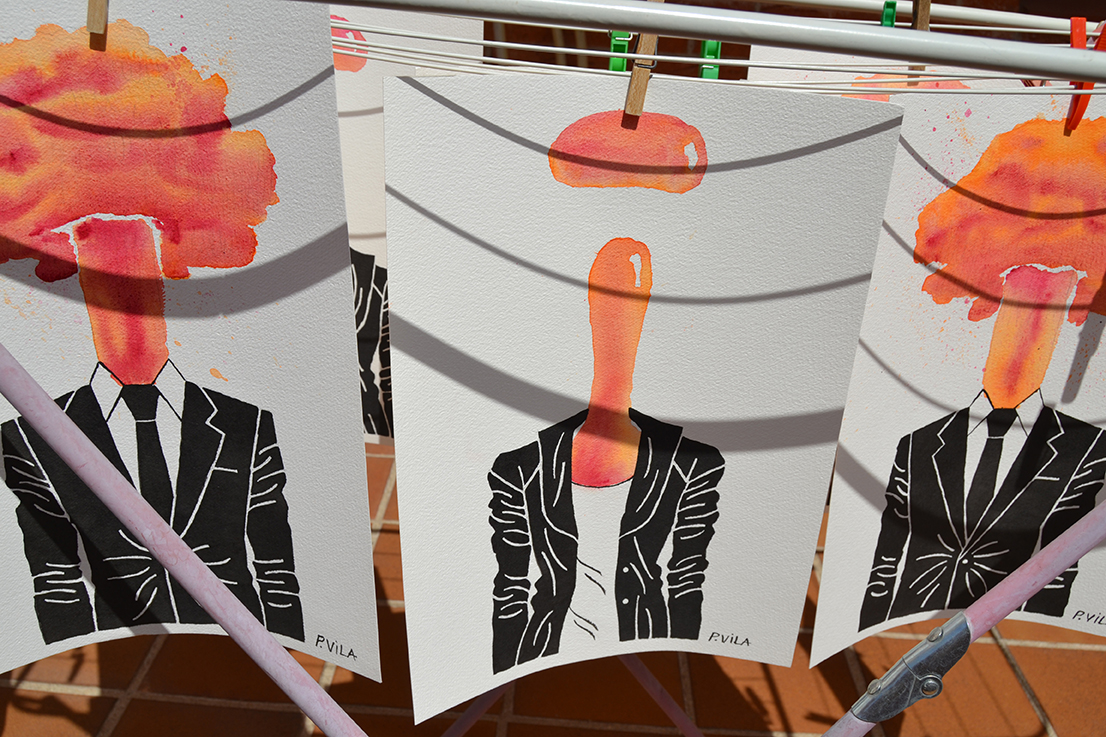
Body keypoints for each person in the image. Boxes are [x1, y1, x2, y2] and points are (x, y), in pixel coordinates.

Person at [488, 239, 724, 673]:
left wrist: (677, 662)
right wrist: (505, 668)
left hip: (647, 649)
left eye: (633, 306)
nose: (618, 323)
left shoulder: (692, 464)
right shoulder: (519, 469)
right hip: (546, 659)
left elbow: (687, 580)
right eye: (607, 305)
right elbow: (510, 589)